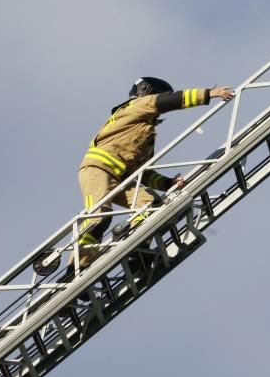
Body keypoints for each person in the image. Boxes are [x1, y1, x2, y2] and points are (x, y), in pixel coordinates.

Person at [64, 77, 234, 279]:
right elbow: (170, 100)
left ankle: (137, 253)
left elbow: (143, 173)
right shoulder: (136, 106)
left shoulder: (145, 133)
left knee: (152, 204)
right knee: (99, 216)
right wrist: (207, 94)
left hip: (120, 179)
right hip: (97, 170)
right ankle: (75, 269)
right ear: (148, 92)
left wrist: (168, 183)